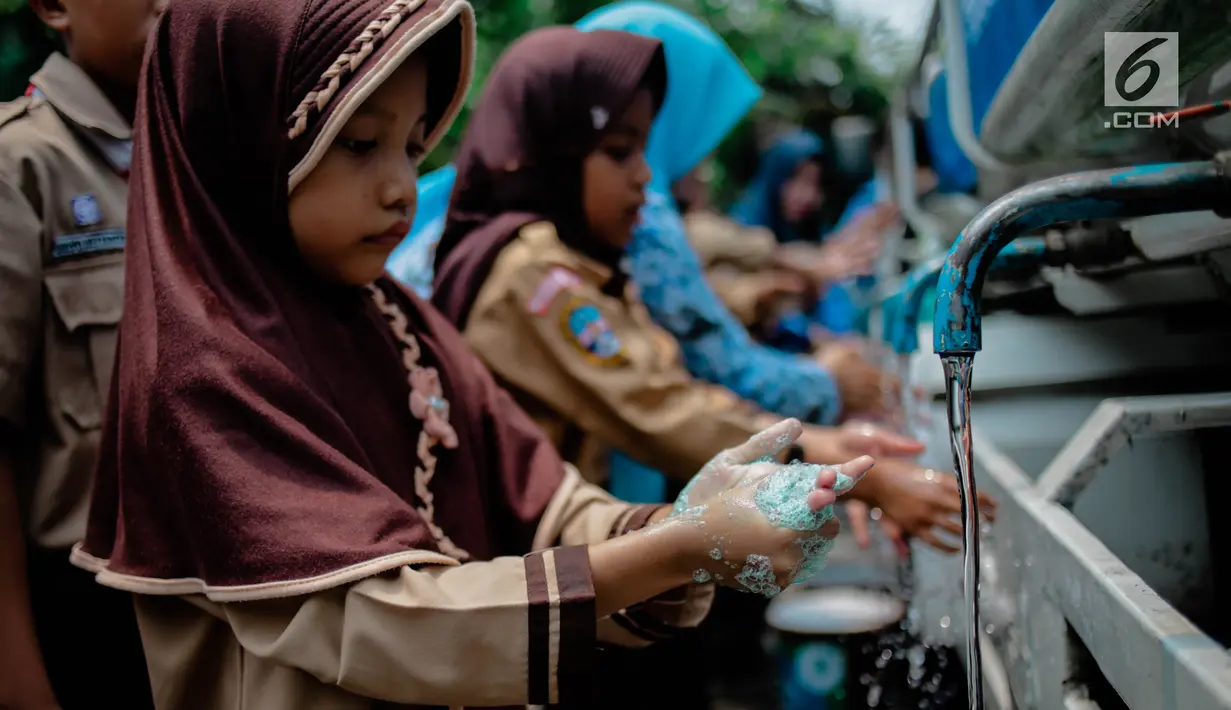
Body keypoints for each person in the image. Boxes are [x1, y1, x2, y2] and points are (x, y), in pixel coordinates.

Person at [68, 2, 865, 708]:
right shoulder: (201, 374)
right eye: (357, 142)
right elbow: (382, 620)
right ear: (235, 133)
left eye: (413, 147)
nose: (400, 189)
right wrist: (682, 544)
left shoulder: (391, 315)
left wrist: (680, 522)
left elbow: (542, 500)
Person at [572, 2, 889, 427]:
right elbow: (711, 363)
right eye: (700, 124)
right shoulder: (646, 218)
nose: (706, 157)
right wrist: (829, 385)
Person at [0, 1, 166, 708]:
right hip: (82, 620)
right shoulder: (20, 166)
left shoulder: (210, 165)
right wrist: (20, 681)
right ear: (54, 5)